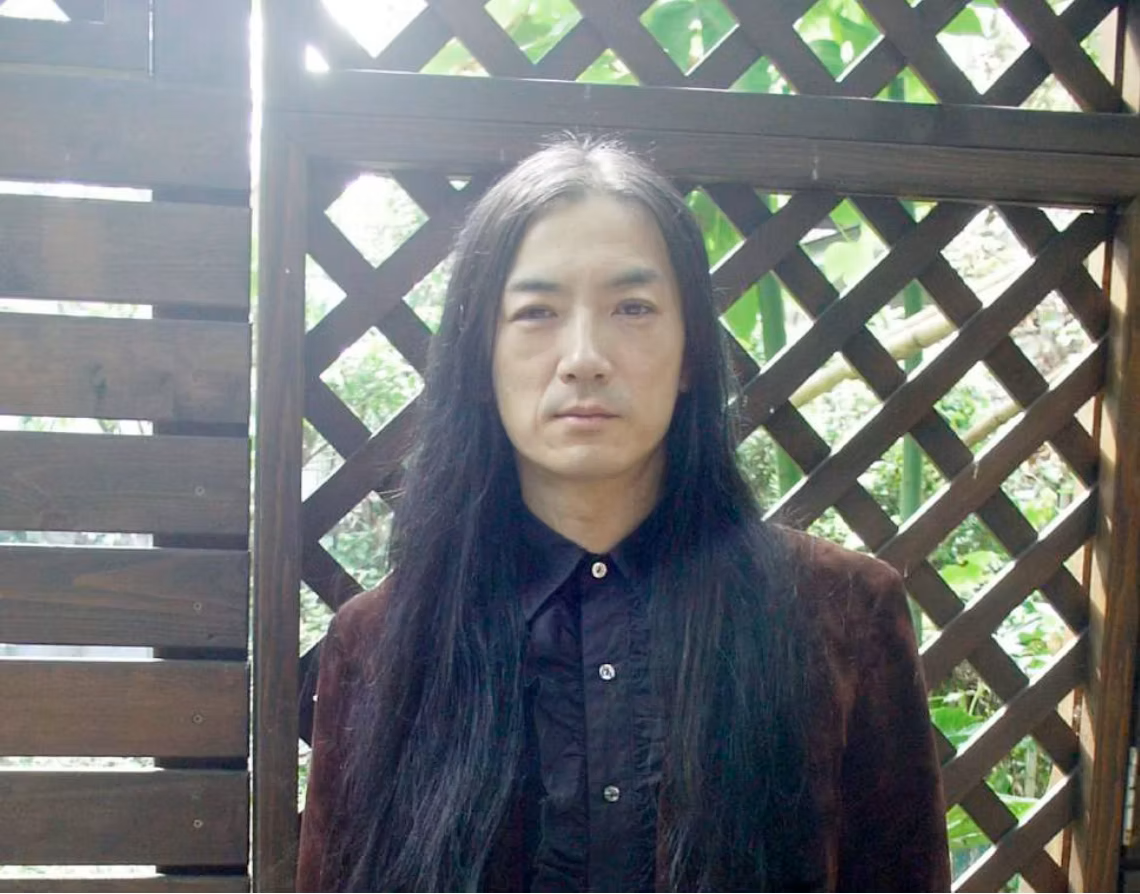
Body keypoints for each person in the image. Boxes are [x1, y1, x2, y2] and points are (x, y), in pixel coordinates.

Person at [296, 140, 950, 892]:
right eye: (536, 312)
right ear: (478, 360)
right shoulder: (383, 642)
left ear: (692, 353)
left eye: (632, 308)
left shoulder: (843, 614)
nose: (584, 356)